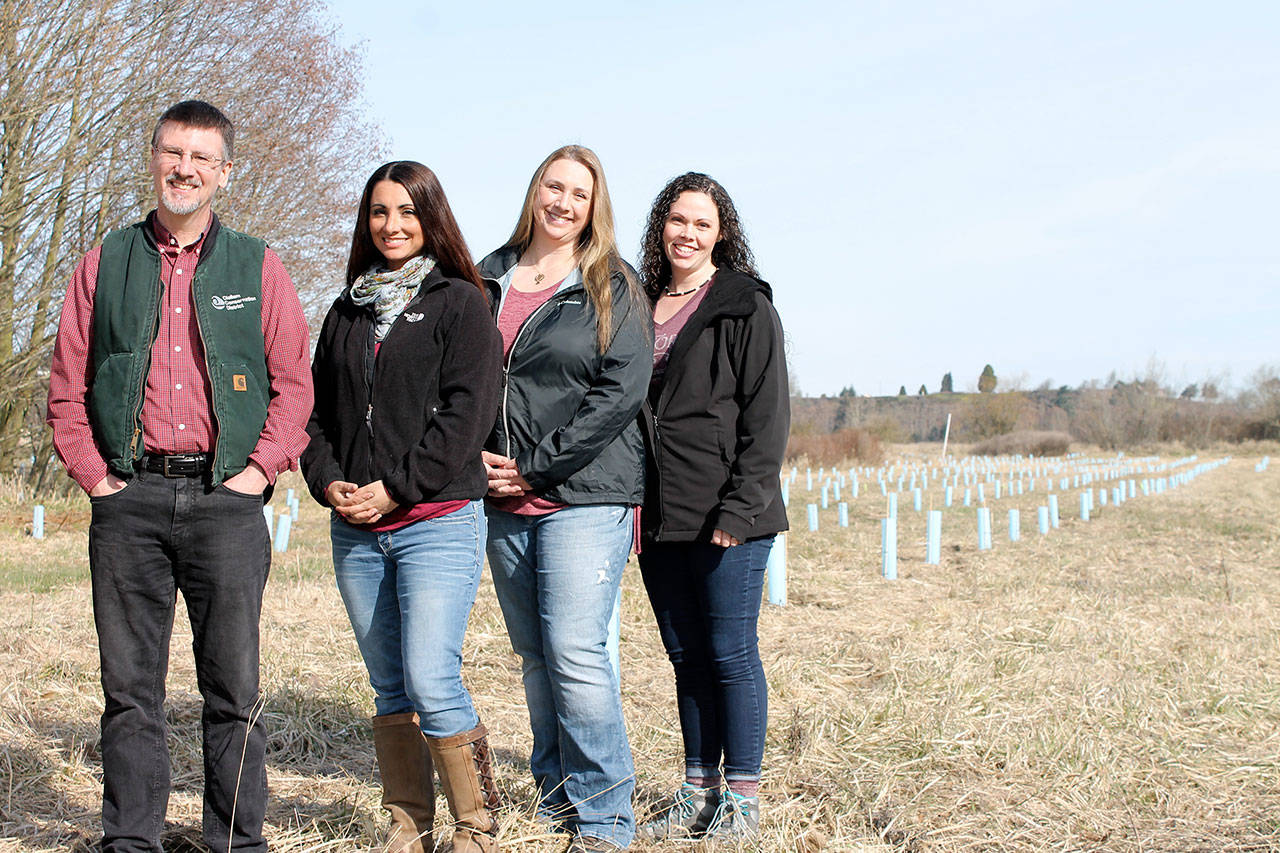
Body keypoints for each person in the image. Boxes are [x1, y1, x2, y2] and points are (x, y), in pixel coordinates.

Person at [45, 100, 313, 853]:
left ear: (224, 172)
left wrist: (257, 473)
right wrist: (99, 480)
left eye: (201, 157)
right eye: (173, 152)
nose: (184, 168)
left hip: (226, 500)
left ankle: (236, 842)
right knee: (130, 690)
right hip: (128, 499)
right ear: (153, 157)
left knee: (233, 690)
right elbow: (66, 390)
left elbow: (295, 386)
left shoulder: (257, 265)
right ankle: (131, 839)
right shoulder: (103, 261)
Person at [300, 161, 503, 853]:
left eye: (407, 212)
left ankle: (475, 825)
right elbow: (315, 415)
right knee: (389, 683)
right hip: (354, 528)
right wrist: (329, 481)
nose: (391, 225)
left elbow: (467, 418)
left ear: (432, 218)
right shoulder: (345, 309)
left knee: (429, 673)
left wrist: (398, 485)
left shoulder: (460, 302)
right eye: (379, 212)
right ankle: (409, 823)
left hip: (437, 520)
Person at [476, 145, 652, 853]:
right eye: (555, 185)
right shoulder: (488, 274)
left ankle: (607, 819)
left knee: (576, 651)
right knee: (536, 655)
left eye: (580, 192)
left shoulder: (614, 283)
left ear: (594, 204)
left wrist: (536, 468)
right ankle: (558, 799)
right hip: (499, 496)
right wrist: (479, 462)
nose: (564, 201)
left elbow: (619, 393)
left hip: (584, 492)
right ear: (535, 189)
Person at [634, 172, 789, 842]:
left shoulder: (743, 305)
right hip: (659, 511)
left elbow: (768, 415)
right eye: (677, 220)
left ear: (721, 231)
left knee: (729, 653)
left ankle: (742, 801)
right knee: (685, 656)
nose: (687, 233)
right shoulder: (637, 306)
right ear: (660, 227)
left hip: (729, 513)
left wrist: (740, 507)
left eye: (701, 222)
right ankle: (697, 789)